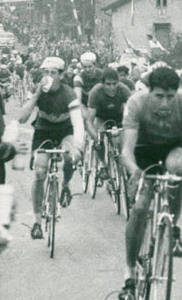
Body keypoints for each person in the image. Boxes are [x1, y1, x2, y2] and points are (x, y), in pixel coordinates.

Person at [116, 66, 182, 300]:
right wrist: (134, 171)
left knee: (175, 168)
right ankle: (129, 271)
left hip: (175, 147)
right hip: (143, 150)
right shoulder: (136, 102)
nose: (166, 103)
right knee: (139, 209)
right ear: (149, 92)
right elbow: (126, 149)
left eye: (170, 96)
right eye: (159, 96)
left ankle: (172, 224)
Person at [17, 57, 85, 240]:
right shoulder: (37, 90)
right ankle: (37, 221)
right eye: (45, 72)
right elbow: (22, 118)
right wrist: (37, 95)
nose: (48, 76)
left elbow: (78, 123)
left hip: (65, 130)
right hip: (43, 131)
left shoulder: (69, 94)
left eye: (53, 73)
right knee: (40, 171)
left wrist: (78, 147)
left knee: (70, 158)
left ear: (61, 76)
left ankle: (65, 185)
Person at [86, 68, 133, 180]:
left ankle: (126, 172)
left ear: (118, 82)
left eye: (114, 84)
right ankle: (103, 165)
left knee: (125, 147)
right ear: (102, 84)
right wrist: (95, 137)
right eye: (108, 84)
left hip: (119, 117)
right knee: (99, 142)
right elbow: (89, 119)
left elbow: (130, 113)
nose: (112, 87)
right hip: (101, 117)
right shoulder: (95, 92)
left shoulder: (123, 89)